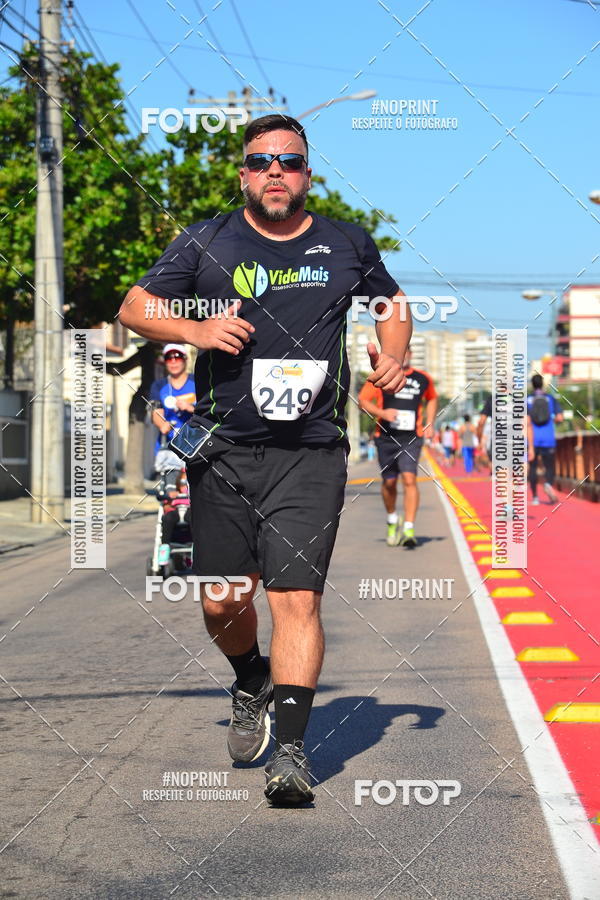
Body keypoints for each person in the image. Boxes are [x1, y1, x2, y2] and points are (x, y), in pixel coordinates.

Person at [118, 114, 411, 806]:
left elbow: (391, 304)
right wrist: (194, 328)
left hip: (309, 454)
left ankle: (291, 752)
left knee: (295, 599)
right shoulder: (207, 241)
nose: (276, 171)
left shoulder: (345, 243)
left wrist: (393, 354)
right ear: (243, 173)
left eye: (290, 160)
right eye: (262, 160)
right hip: (223, 451)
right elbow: (134, 305)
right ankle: (249, 675)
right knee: (223, 599)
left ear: (308, 173)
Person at [358, 346, 437, 548]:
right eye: (400, 352)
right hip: (385, 437)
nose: (404, 356)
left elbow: (432, 398)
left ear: (410, 354)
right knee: (390, 483)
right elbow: (363, 401)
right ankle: (393, 519)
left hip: (411, 437)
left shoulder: (422, 378)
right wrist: (382, 414)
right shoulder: (382, 376)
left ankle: (409, 528)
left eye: (407, 352)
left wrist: (430, 423)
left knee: (410, 479)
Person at [150, 344, 196, 456]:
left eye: (177, 357)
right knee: (172, 473)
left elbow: (209, 410)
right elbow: (156, 412)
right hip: (168, 447)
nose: (173, 361)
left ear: (185, 359)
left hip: (196, 443)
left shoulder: (198, 381)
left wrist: (191, 408)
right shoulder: (159, 385)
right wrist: (162, 425)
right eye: (169, 358)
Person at [527, 373, 563, 505]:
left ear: (532, 384)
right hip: (548, 438)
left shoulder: (527, 400)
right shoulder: (550, 399)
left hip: (532, 440)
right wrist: (551, 419)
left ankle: (535, 497)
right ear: (542, 383)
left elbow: (524, 422)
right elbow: (559, 418)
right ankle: (548, 483)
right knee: (550, 466)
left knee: (533, 467)